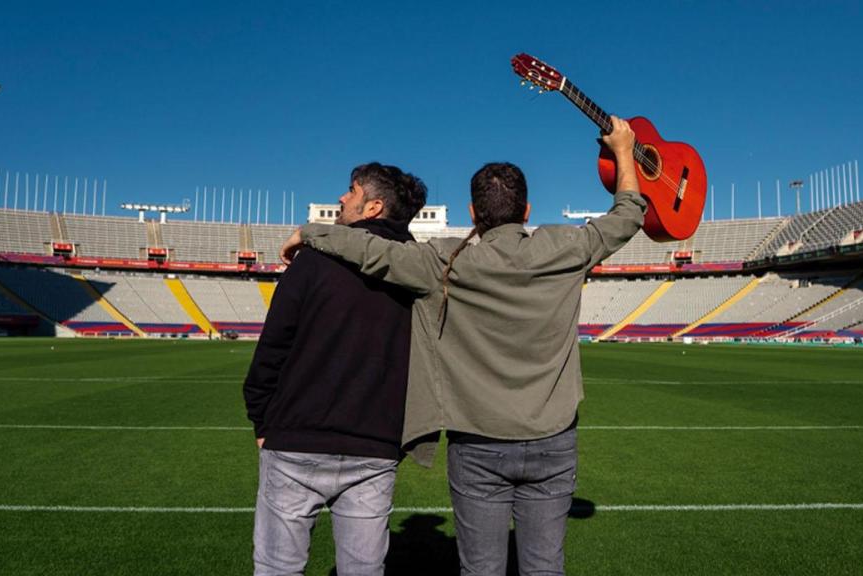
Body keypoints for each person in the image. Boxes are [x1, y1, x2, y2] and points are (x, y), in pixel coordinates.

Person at [280, 117, 645, 575]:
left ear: (473, 213)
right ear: (527, 210)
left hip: (476, 444)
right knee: (545, 566)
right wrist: (625, 151)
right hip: (553, 438)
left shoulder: (445, 261)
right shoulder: (564, 247)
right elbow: (630, 212)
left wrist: (311, 233)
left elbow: (374, 252)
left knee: (481, 569)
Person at [244, 162, 427, 576]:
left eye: (352, 191)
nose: (342, 198)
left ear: (373, 207)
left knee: (277, 569)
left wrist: (260, 421)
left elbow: (272, 348)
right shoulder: (418, 270)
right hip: (375, 445)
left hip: (296, 440)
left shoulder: (312, 262)